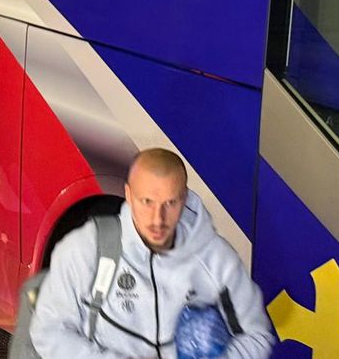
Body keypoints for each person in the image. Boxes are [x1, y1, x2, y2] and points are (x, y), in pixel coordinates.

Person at [30, 149, 274, 358]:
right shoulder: (88, 248)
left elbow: (257, 336)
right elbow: (47, 331)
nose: (158, 219)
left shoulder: (216, 260)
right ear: (128, 195)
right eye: (147, 202)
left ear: (184, 199)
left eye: (170, 203)